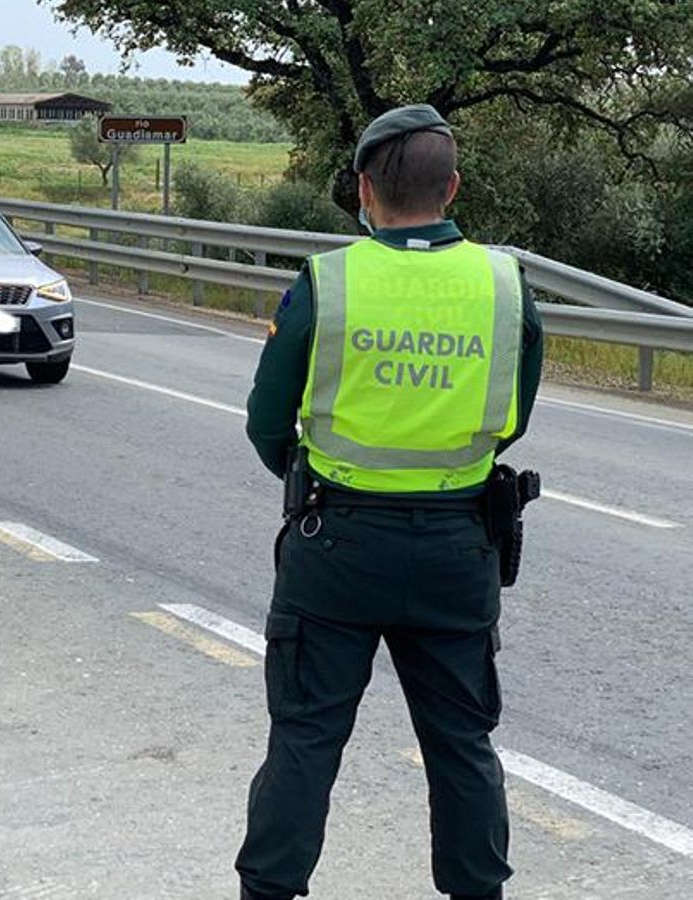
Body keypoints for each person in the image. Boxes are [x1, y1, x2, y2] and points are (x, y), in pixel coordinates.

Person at [236, 105, 545, 900]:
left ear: (365, 190)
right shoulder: (507, 286)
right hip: (456, 548)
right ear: (453, 187)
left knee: (305, 739)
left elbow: (268, 422)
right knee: (462, 744)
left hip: (334, 542)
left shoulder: (327, 282)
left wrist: (319, 480)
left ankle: (269, 892)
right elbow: (512, 418)